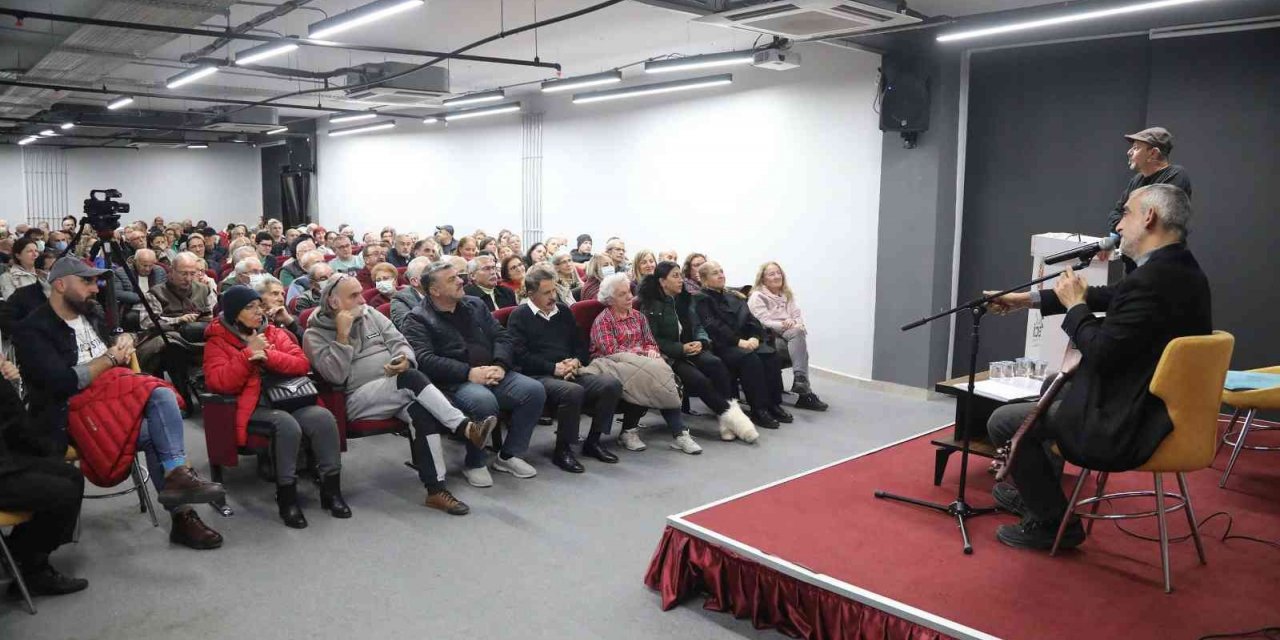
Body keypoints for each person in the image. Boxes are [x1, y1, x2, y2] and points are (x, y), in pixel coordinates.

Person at [982, 184, 1211, 550]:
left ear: (1149, 217)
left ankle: (1052, 521)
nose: (1119, 226)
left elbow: (1102, 353)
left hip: (1130, 421)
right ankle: (1042, 497)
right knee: (1054, 385)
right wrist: (1026, 300)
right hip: (1157, 405)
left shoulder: (1152, 280)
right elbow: (1110, 297)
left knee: (1004, 421)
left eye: (1126, 215)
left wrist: (1075, 309)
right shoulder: (1180, 270)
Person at [15, 257, 226, 549]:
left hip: (110, 400)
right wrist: (111, 359)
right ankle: (181, 502)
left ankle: (181, 504)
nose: (94, 288)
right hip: (68, 415)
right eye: (86, 281)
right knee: (159, 409)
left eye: (95, 281)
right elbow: (62, 383)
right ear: (60, 285)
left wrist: (126, 339)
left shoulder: (90, 313)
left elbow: (116, 340)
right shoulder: (33, 329)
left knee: (159, 411)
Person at [305, 275, 496, 514]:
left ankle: (436, 490)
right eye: (353, 296)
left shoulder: (370, 314)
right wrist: (342, 337)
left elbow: (399, 341)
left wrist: (404, 359)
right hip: (356, 399)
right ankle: (465, 427)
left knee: (421, 413)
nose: (362, 299)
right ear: (334, 303)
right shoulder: (313, 335)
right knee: (411, 379)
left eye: (360, 293)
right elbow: (334, 376)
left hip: (394, 387)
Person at [203, 286, 347, 528]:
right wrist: (248, 355)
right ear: (234, 313)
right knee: (285, 425)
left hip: (288, 397)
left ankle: (331, 491)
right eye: (250, 307)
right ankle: (287, 498)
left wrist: (269, 357)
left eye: (259, 306)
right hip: (251, 406)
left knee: (322, 417)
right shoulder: (217, 341)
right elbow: (219, 382)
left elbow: (301, 364)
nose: (258, 311)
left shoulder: (274, 333)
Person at [401, 262, 546, 486]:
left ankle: (509, 456)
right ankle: (475, 462)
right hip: (453, 381)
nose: (461, 281)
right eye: (452, 279)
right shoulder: (417, 318)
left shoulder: (475, 304)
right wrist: (468, 373)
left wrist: (499, 364)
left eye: (458, 276)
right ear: (434, 290)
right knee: (483, 401)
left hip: (493, 371)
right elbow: (424, 360)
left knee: (534, 390)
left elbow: (503, 337)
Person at [507, 266, 624, 472]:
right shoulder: (519, 316)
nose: (553, 296)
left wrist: (576, 361)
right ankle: (563, 450)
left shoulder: (563, 312)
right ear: (531, 293)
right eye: (546, 293)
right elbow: (520, 356)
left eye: (554, 290)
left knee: (610, 384)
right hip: (539, 374)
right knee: (573, 391)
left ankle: (593, 441)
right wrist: (554, 368)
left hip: (569, 370)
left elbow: (580, 343)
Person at [636, 262, 756, 443]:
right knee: (699, 380)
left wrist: (701, 342)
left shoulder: (684, 299)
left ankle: (725, 421)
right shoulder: (651, 305)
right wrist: (681, 349)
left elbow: (697, 326)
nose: (680, 280)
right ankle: (736, 420)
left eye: (680, 275)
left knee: (716, 364)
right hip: (668, 355)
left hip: (689, 348)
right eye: (675, 276)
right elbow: (653, 340)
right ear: (662, 281)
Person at [0, 354, 87, 598]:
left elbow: (15, 422)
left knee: (71, 477)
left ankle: (20, 554)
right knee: (62, 490)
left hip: (7, 456)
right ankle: (32, 569)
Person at [590, 273, 703, 454]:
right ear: (610, 300)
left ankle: (679, 433)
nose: (629, 297)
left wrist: (651, 351)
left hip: (641, 364)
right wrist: (644, 354)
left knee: (660, 376)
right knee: (647, 376)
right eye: (622, 294)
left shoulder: (638, 317)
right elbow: (611, 351)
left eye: (629, 292)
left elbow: (650, 342)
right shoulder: (603, 320)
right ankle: (632, 431)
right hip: (612, 365)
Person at [696, 261, 791, 429]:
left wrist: (755, 337)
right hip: (722, 346)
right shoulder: (701, 299)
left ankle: (773, 404)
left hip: (746, 341)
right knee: (750, 359)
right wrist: (739, 342)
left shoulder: (734, 296)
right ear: (704, 279)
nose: (721, 275)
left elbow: (751, 320)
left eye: (721, 271)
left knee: (770, 354)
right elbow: (713, 327)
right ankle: (758, 409)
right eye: (715, 273)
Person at [1106, 127, 1193, 272]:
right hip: (1133, 264)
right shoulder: (1136, 180)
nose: (1129, 152)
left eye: (1136, 148)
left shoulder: (1176, 175)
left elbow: (1154, 221)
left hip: (1159, 267)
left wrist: (1127, 224)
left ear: (1153, 153)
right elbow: (1115, 213)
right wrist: (1128, 224)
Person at [137, 252, 214, 408]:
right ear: (171, 272)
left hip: (197, 337)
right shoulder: (155, 293)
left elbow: (210, 316)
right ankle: (183, 400)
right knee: (172, 348)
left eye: (192, 273)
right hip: (168, 339)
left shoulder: (203, 289)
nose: (188, 278)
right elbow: (147, 323)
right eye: (183, 273)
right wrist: (178, 320)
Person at [748, 262, 828, 411]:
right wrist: (786, 324)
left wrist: (795, 323)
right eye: (771, 274)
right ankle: (804, 391)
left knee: (798, 337)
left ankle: (800, 381)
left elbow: (797, 316)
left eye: (779, 273)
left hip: (788, 336)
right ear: (763, 279)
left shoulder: (787, 295)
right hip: (767, 338)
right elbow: (763, 322)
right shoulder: (757, 296)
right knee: (800, 348)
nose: (777, 276)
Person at [256, 275, 303, 343]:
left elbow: (307, 345)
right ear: (259, 297)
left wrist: (289, 322)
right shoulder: (252, 321)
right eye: (275, 294)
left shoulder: (291, 318)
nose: (281, 299)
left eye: (283, 294)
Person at [390, 256, 430, 329]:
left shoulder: (444, 292)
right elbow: (410, 329)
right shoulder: (400, 301)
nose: (435, 277)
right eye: (428, 274)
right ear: (415, 281)